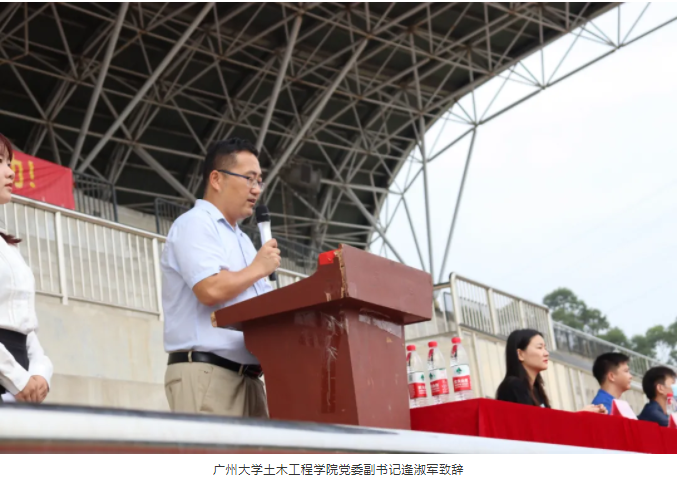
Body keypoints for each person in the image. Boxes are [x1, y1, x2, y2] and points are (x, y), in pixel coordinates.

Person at [161, 137, 280, 417]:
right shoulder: (194, 223)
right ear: (216, 179)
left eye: (259, 181)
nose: (256, 189)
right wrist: (258, 268)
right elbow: (210, 289)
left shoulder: (244, 241)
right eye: (249, 178)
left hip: (249, 378)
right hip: (208, 374)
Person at [0, 133, 53, 404]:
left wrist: (40, 372)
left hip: (17, 379)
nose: (11, 172)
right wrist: (17, 379)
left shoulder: (8, 246)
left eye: (9, 163)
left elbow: (25, 324)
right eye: (0, 162)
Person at [496, 329, 605, 413]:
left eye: (545, 348)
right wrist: (580, 415)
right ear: (520, 354)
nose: (546, 353)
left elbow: (548, 424)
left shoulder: (536, 390)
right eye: (539, 348)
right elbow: (535, 425)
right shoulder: (513, 386)